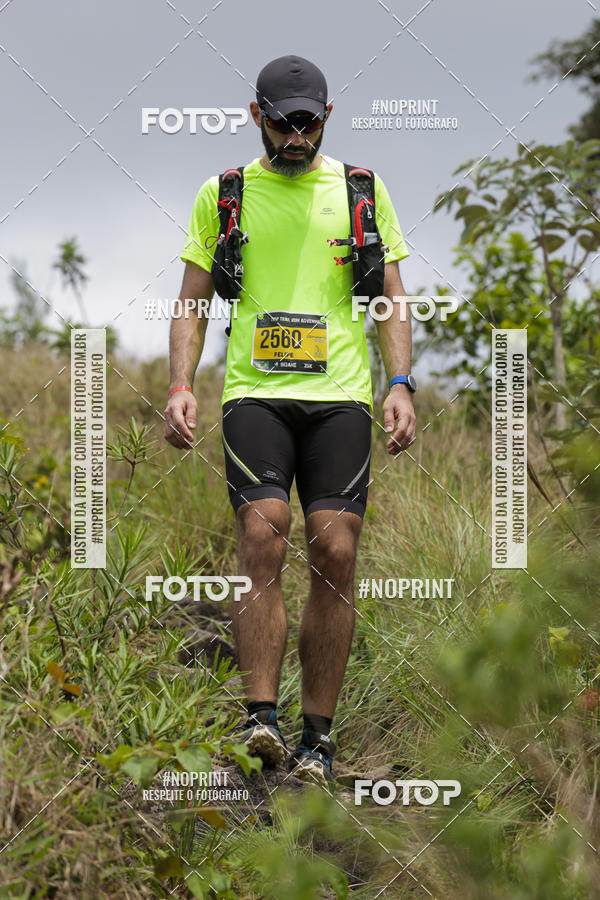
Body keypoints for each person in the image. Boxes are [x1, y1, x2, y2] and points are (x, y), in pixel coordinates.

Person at [164, 54, 416, 785]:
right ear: (257, 117)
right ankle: (260, 719)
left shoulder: (363, 191)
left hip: (341, 396)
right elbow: (192, 300)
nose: (296, 135)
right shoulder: (226, 194)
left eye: (309, 122)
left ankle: (318, 738)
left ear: (327, 118)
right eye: (284, 122)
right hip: (254, 394)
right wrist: (181, 383)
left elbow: (393, 296)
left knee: (335, 551)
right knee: (262, 530)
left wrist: (399, 382)